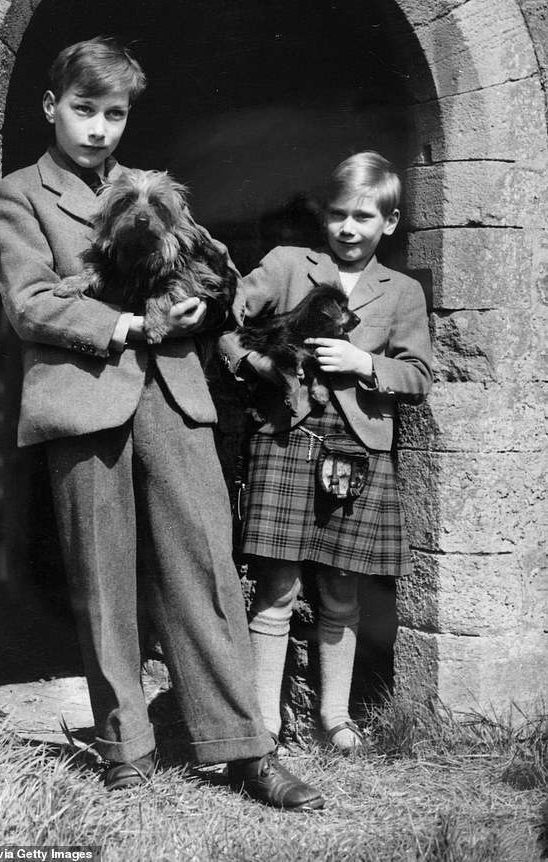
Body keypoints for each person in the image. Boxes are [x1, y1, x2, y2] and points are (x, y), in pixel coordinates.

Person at [0, 35, 324, 809]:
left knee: (205, 566)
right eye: (84, 110)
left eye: (114, 114)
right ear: (51, 107)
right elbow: (31, 303)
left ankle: (244, 748)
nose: (100, 129)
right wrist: (134, 326)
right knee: (103, 579)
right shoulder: (21, 195)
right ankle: (126, 749)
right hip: (83, 399)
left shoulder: (147, 188)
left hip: (172, 393)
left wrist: (197, 309)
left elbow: (208, 273)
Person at [219, 151, 433, 754]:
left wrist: (365, 363)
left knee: (340, 591)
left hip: (359, 450)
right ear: (324, 217)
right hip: (286, 440)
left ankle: (333, 719)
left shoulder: (403, 292)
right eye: (338, 214)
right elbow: (225, 316)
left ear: (388, 224)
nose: (348, 227)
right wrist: (256, 363)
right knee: (277, 587)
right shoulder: (289, 265)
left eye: (364, 217)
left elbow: (418, 376)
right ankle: (265, 721)